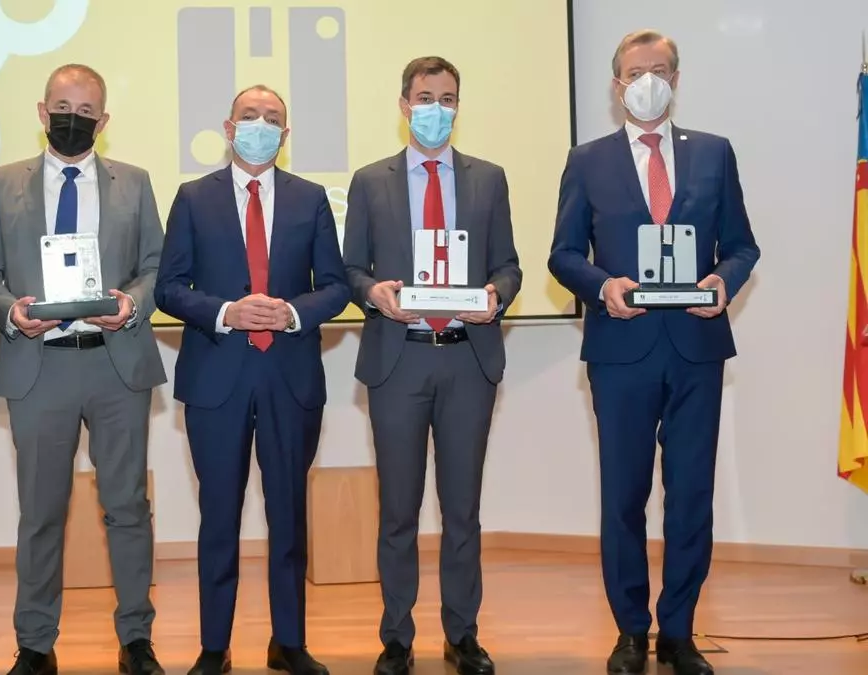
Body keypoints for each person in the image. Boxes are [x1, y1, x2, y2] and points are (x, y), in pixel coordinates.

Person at [547, 30, 760, 675]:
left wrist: (722, 282)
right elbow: (563, 254)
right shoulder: (587, 160)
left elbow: (742, 246)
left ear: (676, 79)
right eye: (636, 72)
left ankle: (680, 630)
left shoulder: (714, 152)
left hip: (696, 348)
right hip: (621, 353)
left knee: (691, 494)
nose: (648, 81)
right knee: (623, 496)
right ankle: (630, 631)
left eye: (660, 70)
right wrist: (601, 286)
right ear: (616, 85)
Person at [0, 64, 167, 675]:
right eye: (62, 107)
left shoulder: (135, 182)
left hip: (116, 365)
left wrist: (132, 303)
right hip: (39, 367)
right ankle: (35, 645)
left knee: (127, 507)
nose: (72, 119)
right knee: (41, 512)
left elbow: (157, 266)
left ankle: (136, 639)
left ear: (103, 121)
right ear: (41, 111)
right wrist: (9, 310)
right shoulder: (2, 183)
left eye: (85, 111)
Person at [154, 85, 349, 675]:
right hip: (217, 379)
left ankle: (289, 642)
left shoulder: (311, 198)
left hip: (290, 377)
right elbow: (169, 288)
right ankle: (214, 646)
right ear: (228, 126)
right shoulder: (193, 198)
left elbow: (335, 286)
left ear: (285, 135)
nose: (259, 125)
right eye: (249, 115)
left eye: (272, 119)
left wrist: (291, 313)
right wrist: (225, 312)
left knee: (288, 517)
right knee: (219, 518)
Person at [342, 56, 521, 675]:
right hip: (399, 359)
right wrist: (373, 292)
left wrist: (497, 295)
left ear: (458, 106)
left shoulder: (488, 179)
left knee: (462, 509)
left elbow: (508, 265)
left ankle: (462, 634)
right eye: (424, 98)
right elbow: (351, 268)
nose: (435, 109)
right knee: (398, 510)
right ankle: (396, 637)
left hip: (469, 359)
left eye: (446, 99)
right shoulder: (371, 181)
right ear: (403, 105)